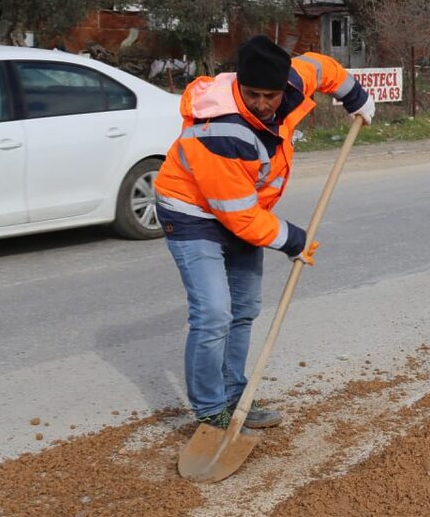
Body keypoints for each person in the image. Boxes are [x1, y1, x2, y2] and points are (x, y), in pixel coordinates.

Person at [154, 35, 375, 430]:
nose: (260, 103)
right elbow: (239, 218)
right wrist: (294, 240)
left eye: (269, 95)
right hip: (192, 213)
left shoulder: (292, 82)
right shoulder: (221, 130)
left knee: (244, 309)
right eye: (251, 94)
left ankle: (237, 397)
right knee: (214, 313)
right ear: (239, 84)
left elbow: (322, 67)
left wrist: (354, 95)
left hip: (242, 208)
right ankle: (210, 412)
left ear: (283, 88)